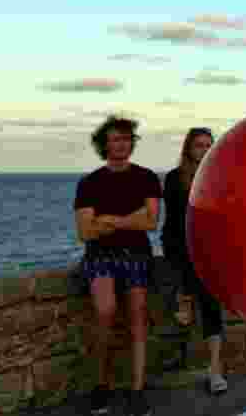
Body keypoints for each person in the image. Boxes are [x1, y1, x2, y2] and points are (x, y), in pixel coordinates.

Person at [73, 116, 161, 416]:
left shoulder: (147, 177)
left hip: (136, 254)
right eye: (115, 139)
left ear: (131, 143)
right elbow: (85, 232)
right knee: (105, 312)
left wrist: (109, 220)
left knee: (137, 318)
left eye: (126, 139)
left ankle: (137, 390)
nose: (121, 144)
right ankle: (102, 386)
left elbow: (150, 221)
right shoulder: (89, 182)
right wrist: (129, 221)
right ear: (104, 145)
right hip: (100, 256)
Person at [160, 127, 229, 395]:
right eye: (199, 145)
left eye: (209, 145)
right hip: (180, 251)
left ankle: (215, 370)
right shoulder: (175, 179)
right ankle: (180, 357)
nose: (204, 150)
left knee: (211, 308)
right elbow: (174, 221)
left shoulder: (221, 177)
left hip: (209, 253)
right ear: (189, 148)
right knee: (183, 305)